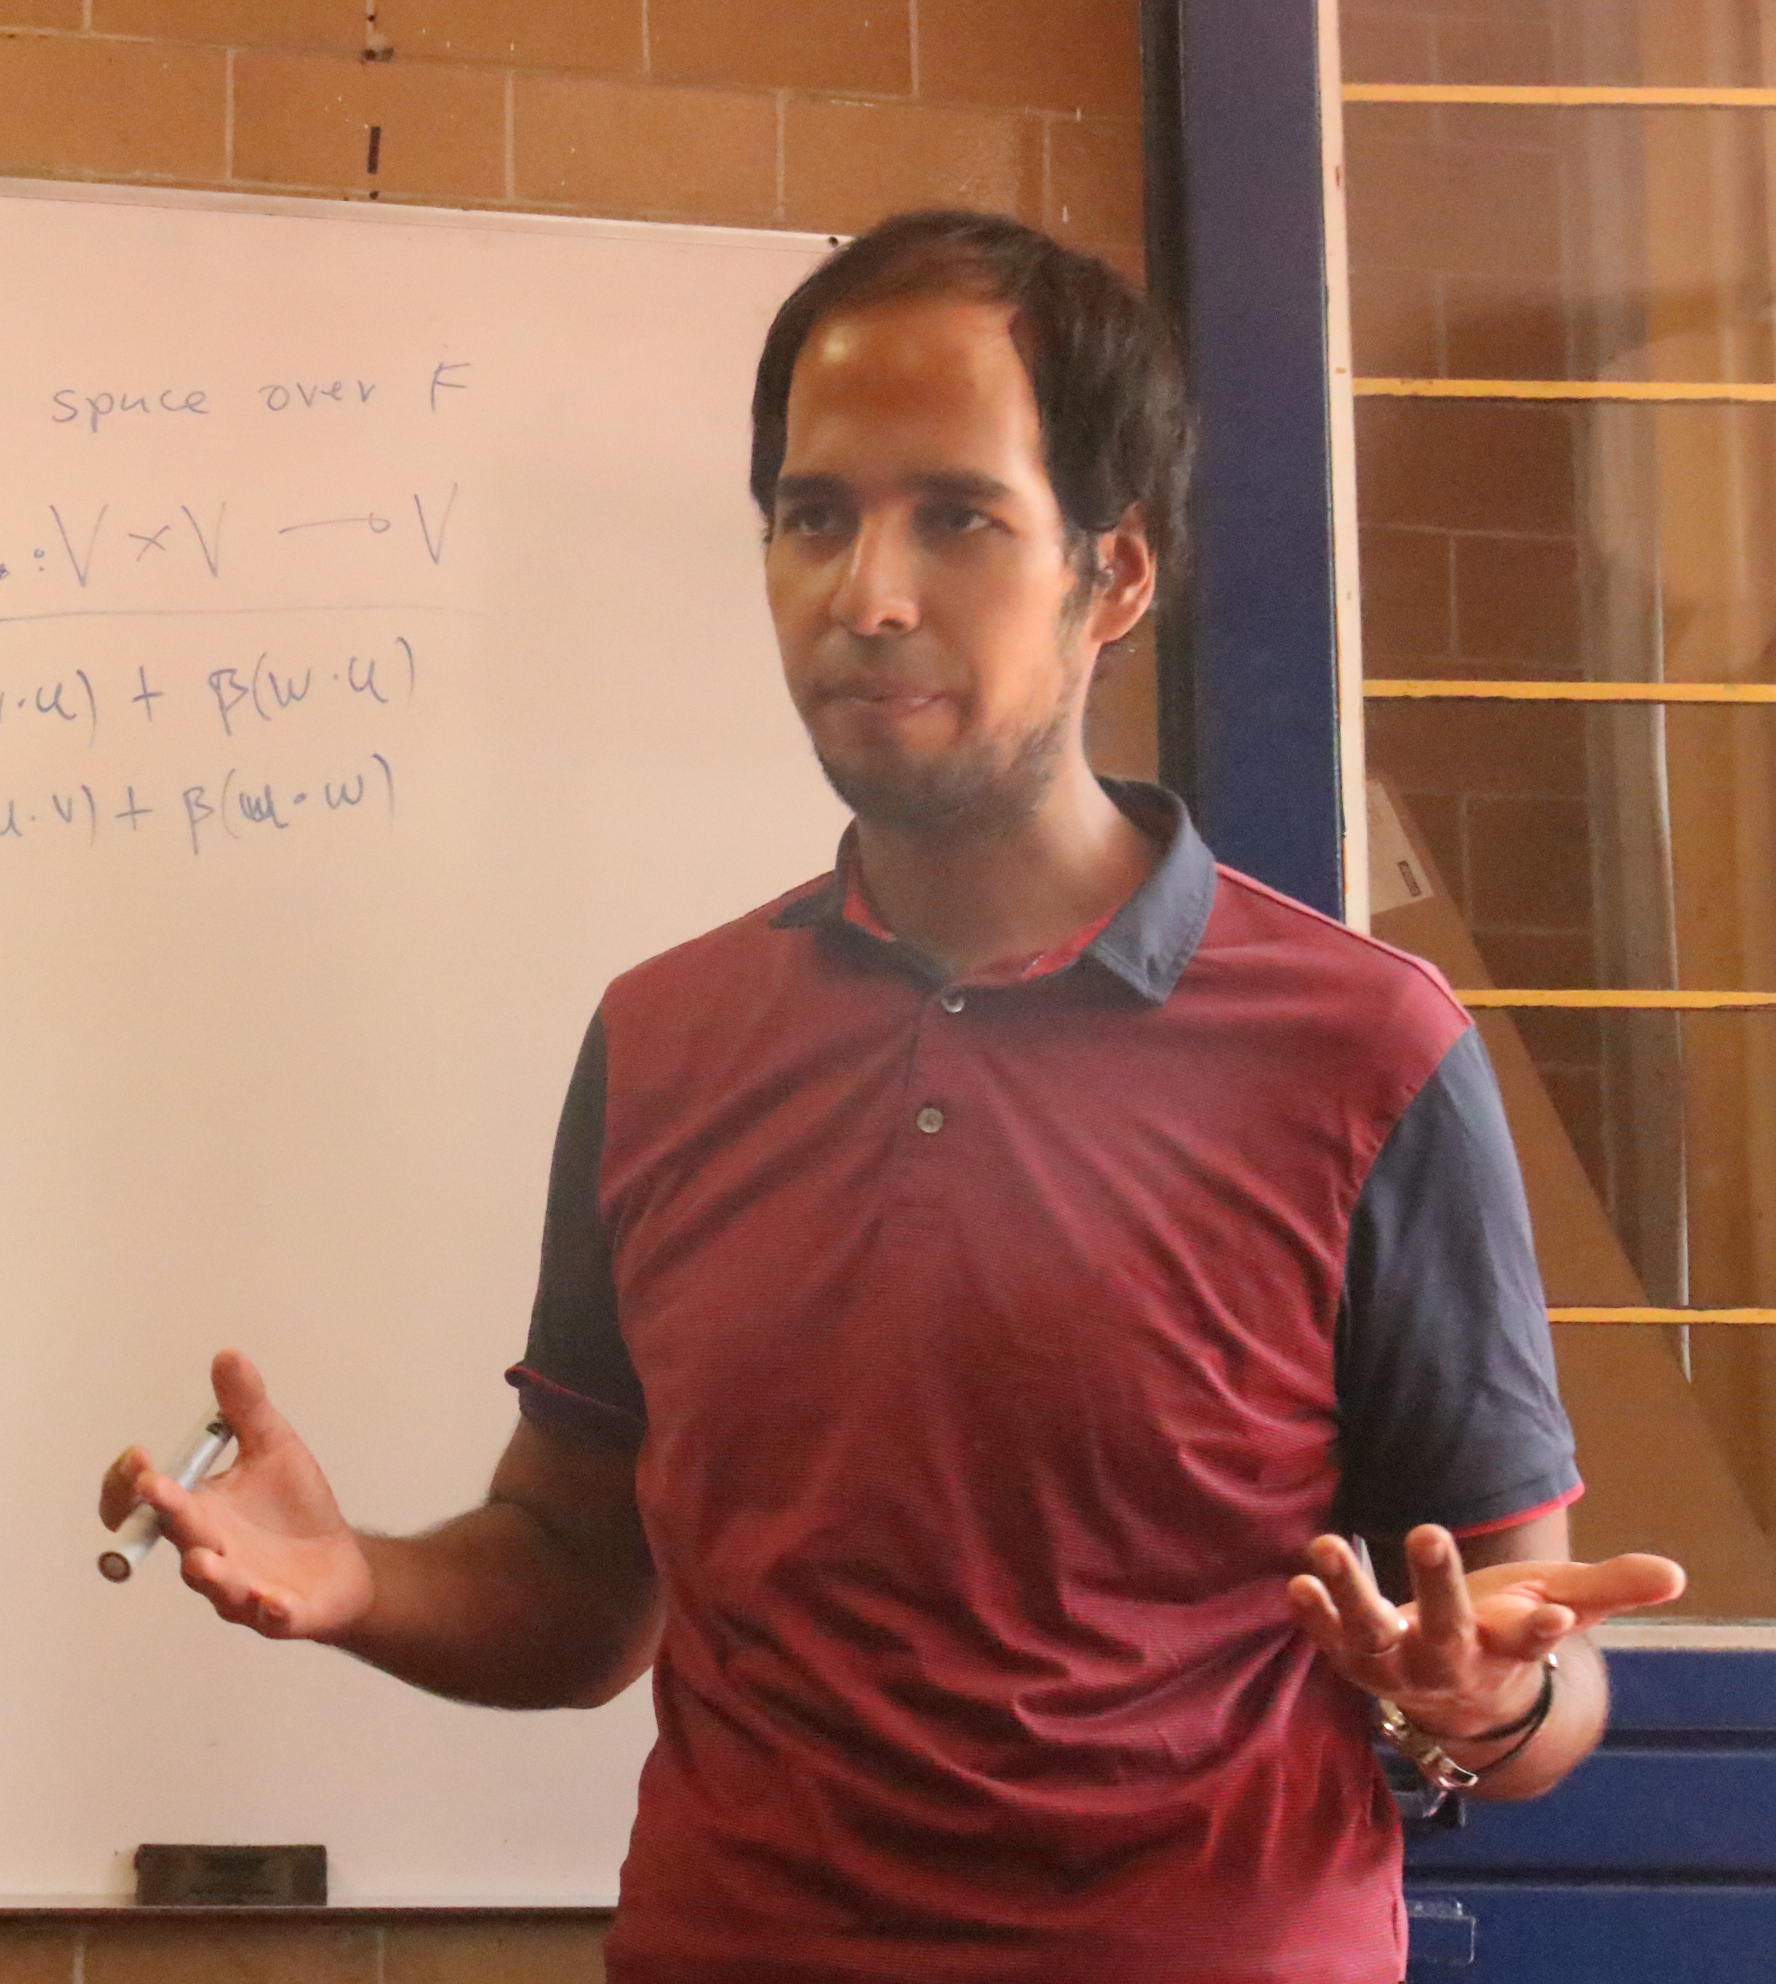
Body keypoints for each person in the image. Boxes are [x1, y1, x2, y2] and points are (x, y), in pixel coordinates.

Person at [97, 211, 1687, 1983]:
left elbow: (1532, 1658)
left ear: (1113, 576)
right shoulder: (665, 1041)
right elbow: (578, 1581)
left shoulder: (1367, 1049)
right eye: (813, 516)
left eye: (957, 517)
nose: (866, 595)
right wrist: (359, 1580)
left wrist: (1489, 1696)